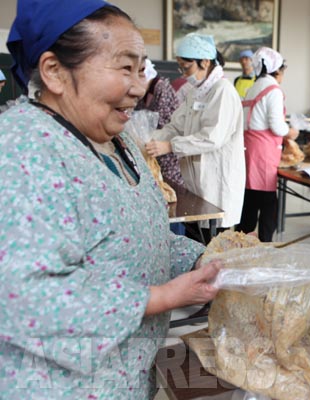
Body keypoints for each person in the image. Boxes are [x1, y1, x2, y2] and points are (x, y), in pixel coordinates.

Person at [0, 1, 220, 398]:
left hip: (127, 375)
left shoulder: (118, 142)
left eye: (141, 68)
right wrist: (162, 298)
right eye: (124, 67)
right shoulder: (23, 148)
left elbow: (137, 233)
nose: (139, 86)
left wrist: (203, 261)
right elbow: (23, 298)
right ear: (54, 71)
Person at [147, 33, 245, 243]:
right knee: (196, 241)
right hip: (196, 184)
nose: (183, 74)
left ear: (206, 62)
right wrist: (148, 139)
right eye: (180, 67)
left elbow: (211, 138)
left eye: (187, 67)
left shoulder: (223, 92)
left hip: (216, 184)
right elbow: (175, 125)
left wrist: (170, 146)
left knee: (214, 245)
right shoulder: (196, 92)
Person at [236, 47, 299, 242]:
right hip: (264, 152)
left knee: (250, 201)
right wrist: (292, 132)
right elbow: (277, 126)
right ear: (277, 70)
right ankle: (265, 244)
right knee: (268, 204)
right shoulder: (273, 90)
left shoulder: (253, 87)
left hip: (250, 149)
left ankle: (240, 242)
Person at [136, 59, 184, 186]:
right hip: (153, 149)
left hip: (167, 151)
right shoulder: (145, 93)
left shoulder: (162, 89)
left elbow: (165, 123)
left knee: (170, 186)